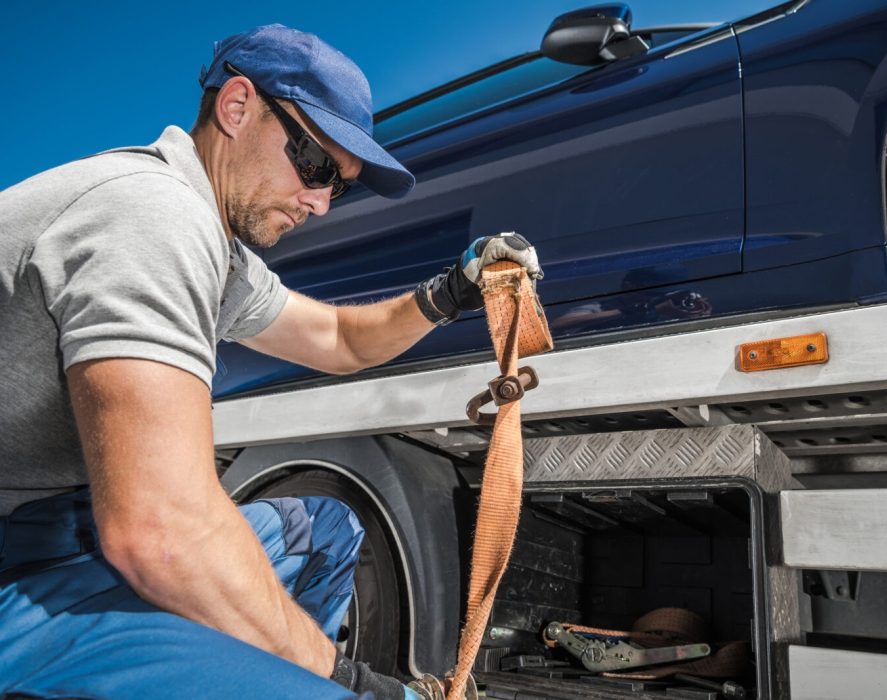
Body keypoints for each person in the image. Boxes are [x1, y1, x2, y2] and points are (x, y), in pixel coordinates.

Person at [0, 24, 542, 700]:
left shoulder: (213, 251)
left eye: (336, 188)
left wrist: (450, 291)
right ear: (236, 107)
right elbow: (159, 533)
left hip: (66, 532)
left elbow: (340, 340)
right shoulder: (150, 216)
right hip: (18, 573)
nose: (318, 202)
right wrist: (344, 675)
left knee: (328, 530)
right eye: (315, 165)